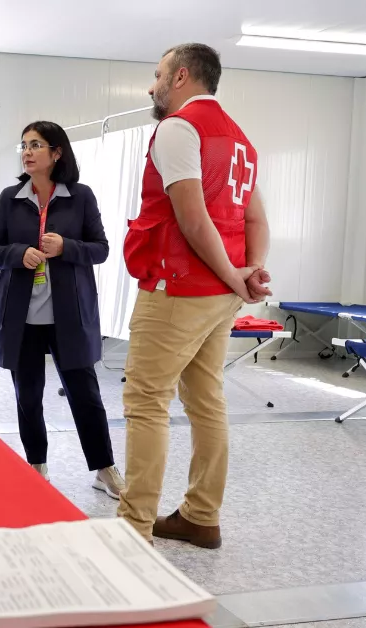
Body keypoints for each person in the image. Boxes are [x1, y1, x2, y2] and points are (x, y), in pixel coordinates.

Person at [116, 43, 272, 549]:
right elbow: (254, 220)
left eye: (158, 74)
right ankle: (202, 515)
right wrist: (249, 273)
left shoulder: (179, 129)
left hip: (179, 289)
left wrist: (235, 277)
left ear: (181, 76)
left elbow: (192, 219)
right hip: (217, 296)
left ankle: (133, 528)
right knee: (206, 399)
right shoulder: (241, 141)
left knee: (146, 401)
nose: (151, 85)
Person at [0, 121, 123, 496]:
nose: (27, 152)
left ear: (57, 152)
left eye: (36, 145)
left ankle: (104, 469)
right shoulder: (10, 198)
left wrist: (67, 247)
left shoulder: (80, 197)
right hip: (22, 317)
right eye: (24, 145)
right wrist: (18, 254)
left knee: (86, 396)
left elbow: (101, 248)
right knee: (27, 396)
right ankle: (37, 466)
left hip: (69, 316)